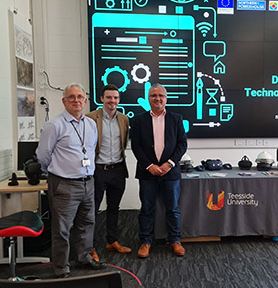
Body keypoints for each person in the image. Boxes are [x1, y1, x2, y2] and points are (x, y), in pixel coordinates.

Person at [36, 83, 107, 278]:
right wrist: (56, 171)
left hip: (88, 182)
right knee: (62, 228)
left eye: (80, 97)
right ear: (64, 101)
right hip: (64, 184)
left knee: (87, 223)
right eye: (72, 97)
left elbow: (91, 150)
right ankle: (61, 267)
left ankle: (84, 257)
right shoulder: (54, 125)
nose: (76, 100)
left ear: (85, 101)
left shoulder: (91, 124)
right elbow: (43, 155)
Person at [131, 83, 187, 258]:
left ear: (166, 98)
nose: (157, 98)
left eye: (161, 95)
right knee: (147, 208)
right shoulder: (139, 120)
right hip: (147, 172)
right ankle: (146, 241)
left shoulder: (176, 119)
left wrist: (169, 164)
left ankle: (175, 240)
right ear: (149, 99)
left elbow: (182, 144)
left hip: (170, 172)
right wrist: (150, 166)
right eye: (154, 95)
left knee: (173, 208)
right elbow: (136, 146)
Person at [86, 84, 131, 261]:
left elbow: (124, 143)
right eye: (109, 97)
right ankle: (91, 247)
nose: (112, 101)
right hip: (98, 170)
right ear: (102, 99)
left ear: (119, 100)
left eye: (115, 98)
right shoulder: (90, 118)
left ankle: (112, 241)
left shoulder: (124, 119)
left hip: (118, 170)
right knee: (93, 210)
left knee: (114, 208)